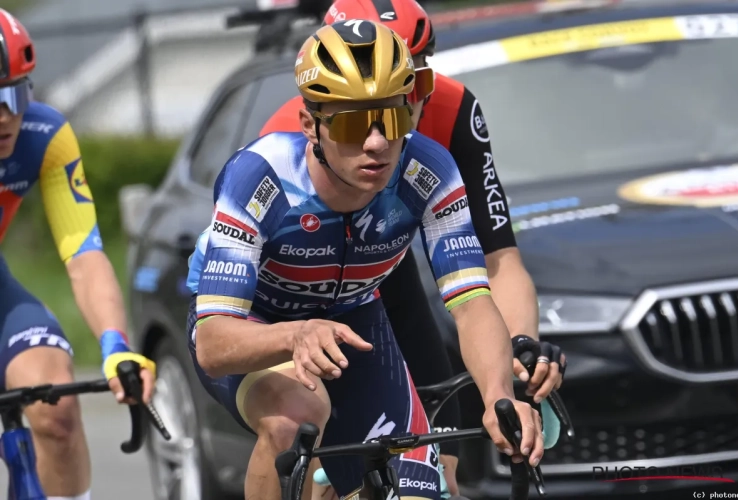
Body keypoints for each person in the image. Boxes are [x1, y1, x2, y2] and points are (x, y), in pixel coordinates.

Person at [186, 19, 544, 500]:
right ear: (310, 124)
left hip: (354, 320)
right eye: (354, 124)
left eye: (392, 120)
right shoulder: (261, 178)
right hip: (255, 322)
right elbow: (213, 345)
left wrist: (499, 396)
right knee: (294, 420)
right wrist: (295, 335)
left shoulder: (428, 171)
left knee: (417, 491)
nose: (376, 143)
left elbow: (472, 302)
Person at [0, 10, 156, 499]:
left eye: (15, 95)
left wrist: (115, 345)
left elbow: (84, 256)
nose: (5, 116)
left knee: (58, 412)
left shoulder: (43, 136)